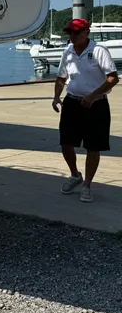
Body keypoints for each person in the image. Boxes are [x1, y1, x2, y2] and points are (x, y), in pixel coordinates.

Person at [52, 18, 119, 202]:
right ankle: (75, 174)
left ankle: (87, 185)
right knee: (66, 143)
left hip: (96, 104)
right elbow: (61, 77)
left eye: (76, 32)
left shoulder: (98, 51)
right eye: (69, 33)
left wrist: (93, 95)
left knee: (93, 146)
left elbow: (113, 78)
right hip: (72, 102)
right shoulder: (68, 51)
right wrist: (56, 96)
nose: (72, 36)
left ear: (86, 32)